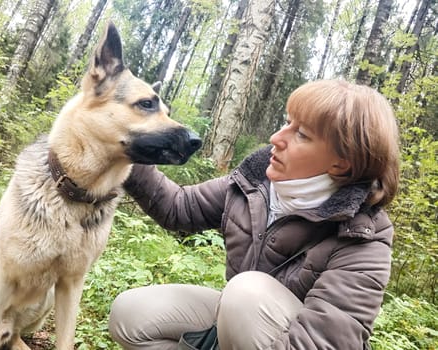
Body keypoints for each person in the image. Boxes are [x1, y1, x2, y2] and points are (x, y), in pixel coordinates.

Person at [108, 79, 400, 349]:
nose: (276, 138)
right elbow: (179, 208)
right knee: (131, 314)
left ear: (342, 164)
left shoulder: (363, 236)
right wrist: (129, 148)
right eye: (287, 123)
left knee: (246, 293)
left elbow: (322, 342)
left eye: (301, 134)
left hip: (286, 335)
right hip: (240, 315)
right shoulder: (255, 182)